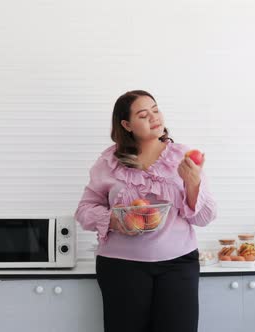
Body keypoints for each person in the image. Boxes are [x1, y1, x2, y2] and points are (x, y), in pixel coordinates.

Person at [75, 90, 217, 332]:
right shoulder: (108, 162)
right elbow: (84, 210)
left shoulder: (182, 157)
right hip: (121, 266)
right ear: (126, 124)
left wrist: (193, 182)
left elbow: (205, 217)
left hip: (178, 264)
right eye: (143, 114)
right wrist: (115, 221)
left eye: (155, 109)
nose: (154, 117)